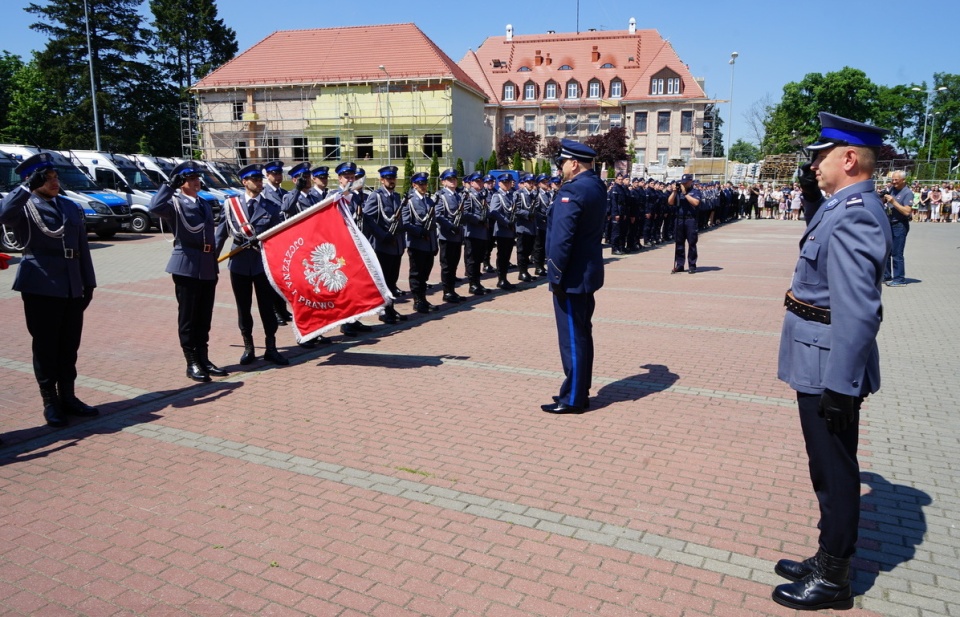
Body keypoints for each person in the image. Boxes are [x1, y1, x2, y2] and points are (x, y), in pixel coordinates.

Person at [773, 112, 892, 611]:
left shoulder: (856, 212)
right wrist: (809, 189)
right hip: (818, 359)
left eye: (820, 156)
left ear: (848, 159)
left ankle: (834, 577)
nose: (813, 163)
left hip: (829, 370)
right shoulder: (842, 205)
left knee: (835, 471)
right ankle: (826, 556)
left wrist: (843, 384)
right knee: (825, 468)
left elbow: (860, 310)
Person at [0, 153, 99, 427]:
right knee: (45, 347)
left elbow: (82, 249)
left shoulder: (69, 206)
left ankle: (68, 397)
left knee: (69, 345)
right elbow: (3, 215)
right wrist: (24, 189)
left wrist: (88, 282)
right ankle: (50, 402)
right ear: (33, 180)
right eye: (47, 178)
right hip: (41, 284)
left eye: (55, 177)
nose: (55, 182)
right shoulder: (25, 205)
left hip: (71, 284)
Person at [541, 139, 606, 415]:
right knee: (582, 334)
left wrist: (555, 273)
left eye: (563, 163)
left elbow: (562, 239)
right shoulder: (596, 185)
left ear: (574, 163)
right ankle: (579, 390)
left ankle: (573, 399)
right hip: (586, 273)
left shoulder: (573, 190)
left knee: (572, 338)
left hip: (571, 277)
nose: (561, 169)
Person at [149, 160, 227, 382]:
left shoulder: (202, 203)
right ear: (181, 182)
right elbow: (154, 207)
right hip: (186, 265)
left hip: (207, 265)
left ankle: (203, 358)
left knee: (204, 317)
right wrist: (168, 186)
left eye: (197, 178)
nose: (196, 182)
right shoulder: (175, 203)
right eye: (191, 179)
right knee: (188, 318)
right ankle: (191, 361)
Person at [215, 163, 289, 367]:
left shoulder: (271, 207)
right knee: (243, 308)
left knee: (267, 308)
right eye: (254, 179)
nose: (259, 182)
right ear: (244, 182)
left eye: (260, 179)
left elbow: (278, 237)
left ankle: (271, 348)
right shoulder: (231, 205)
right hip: (239, 265)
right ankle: (248, 348)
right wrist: (210, 261)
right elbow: (220, 234)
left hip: (262, 265)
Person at [363, 165, 407, 324]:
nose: (391, 181)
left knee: (392, 281)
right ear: (382, 180)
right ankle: (383, 311)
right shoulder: (376, 196)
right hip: (383, 246)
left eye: (393, 178)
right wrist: (382, 235)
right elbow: (367, 218)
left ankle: (390, 308)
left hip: (396, 246)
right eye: (388, 178)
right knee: (384, 281)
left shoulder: (396, 196)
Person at [404, 172, 439, 313]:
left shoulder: (429, 201)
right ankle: (417, 301)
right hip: (417, 243)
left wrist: (434, 244)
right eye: (420, 184)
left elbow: (433, 224)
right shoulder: (409, 201)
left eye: (424, 183)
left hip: (429, 244)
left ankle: (423, 299)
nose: (423, 186)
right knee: (416, 274)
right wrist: (419, 232)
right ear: (414, 185)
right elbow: (406, 223)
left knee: (425, 274)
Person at [434, 168, 464, 303]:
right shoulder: (441, 196)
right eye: (450, 179)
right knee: (446, 265)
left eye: (454, 179)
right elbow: (438, 215)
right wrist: (450, 226)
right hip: (447, 235)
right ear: (443, 182)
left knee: (454, 264)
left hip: (457, 235)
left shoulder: (458, 196)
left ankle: (452, 290)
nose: (453, 181)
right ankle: (447, 292)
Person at [881, 171, 913, 287]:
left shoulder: (907, 193)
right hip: (889, 223)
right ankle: (887, 276)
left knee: (897, 253)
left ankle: (900, 279)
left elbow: (907, 211)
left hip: (900, 224)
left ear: (903, 180)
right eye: (892, 179)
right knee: (886, 251)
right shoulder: (893, 189)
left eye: (896, 180)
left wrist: (893, 202)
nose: (893, 182)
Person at [460, 172, 490, 296]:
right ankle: (472, 284)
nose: (480, 183)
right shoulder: (468, 195)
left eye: (481, 181)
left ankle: (477, 282)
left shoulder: (482, 195)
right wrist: (478, 219)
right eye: (477, 181)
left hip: (482, 232)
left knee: (478, 259)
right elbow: (465, 212)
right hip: (472, 232)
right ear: (471, 183)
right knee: (472, 260)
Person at [488, 173, 517, 289]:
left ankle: (504, 278)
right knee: (502, 256)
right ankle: (501, 279)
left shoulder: (511, 195)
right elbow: (494, 212)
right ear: (499, 183)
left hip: (510, 230)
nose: (507, 184)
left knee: (507, 256)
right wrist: (506, 222)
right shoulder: (497, 196)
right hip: (502, 230)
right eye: (504, 182)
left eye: (509, 182)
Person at [668, 174, 702, 274]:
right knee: (679, 243)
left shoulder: (695, 191)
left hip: (690, 220)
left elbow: (696, 203)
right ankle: (680, 265)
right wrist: (674, 192)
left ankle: (692, 265)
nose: (683, 184)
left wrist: (685, 194)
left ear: (690, 182)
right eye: (682, 182)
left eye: (686, 182)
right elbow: (670, 202)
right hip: (679, 220)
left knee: (692, 243)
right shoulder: (677, 192)